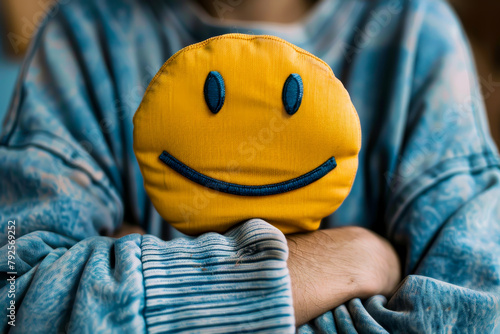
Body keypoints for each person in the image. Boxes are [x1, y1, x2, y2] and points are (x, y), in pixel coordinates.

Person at [0, 0, 499, 332]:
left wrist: (134, 278)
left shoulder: (414, 32)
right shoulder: (84, 31)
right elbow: (15, 299)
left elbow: (475, 310)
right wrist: (339, 263)